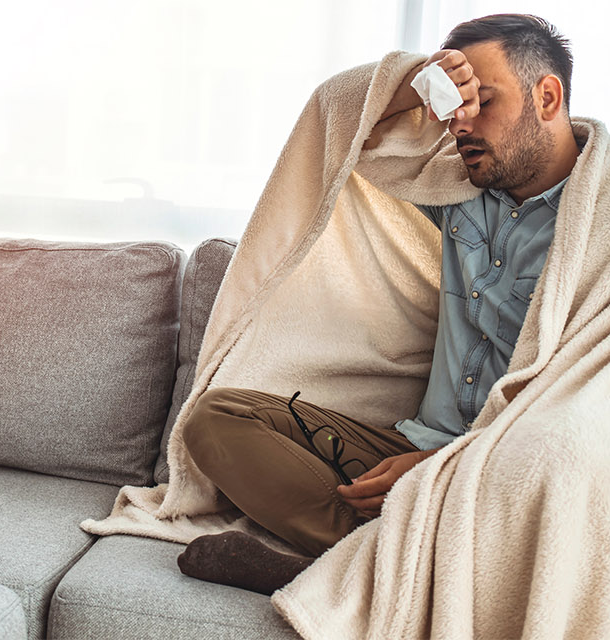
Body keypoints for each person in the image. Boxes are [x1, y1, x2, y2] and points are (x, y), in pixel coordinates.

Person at [175, 14, 585, 594]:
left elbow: (578, 420)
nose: (462, 125)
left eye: (483, 100)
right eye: (456, 107)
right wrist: (420, 79)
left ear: (547, 95)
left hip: (500, 469)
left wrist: (444, 469)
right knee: (216, 421)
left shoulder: (606, 230)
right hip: (406, 445)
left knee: (544, 516)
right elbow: (341, 126)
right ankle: (383, 565)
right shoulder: (459, 190)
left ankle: (357, 570)